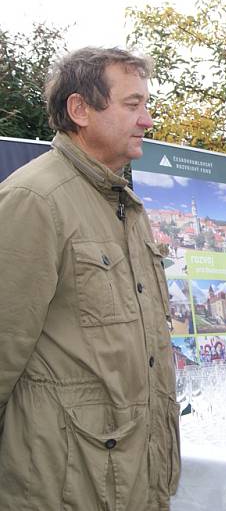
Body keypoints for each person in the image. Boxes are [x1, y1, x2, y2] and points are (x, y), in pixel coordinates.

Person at [0, 47, 180, 510]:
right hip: (64, 482)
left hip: (128, 473)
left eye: (146, 104)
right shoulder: (34, 199)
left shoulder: (122, 203)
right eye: (133, 104)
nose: (147, 120)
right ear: (80, 109)